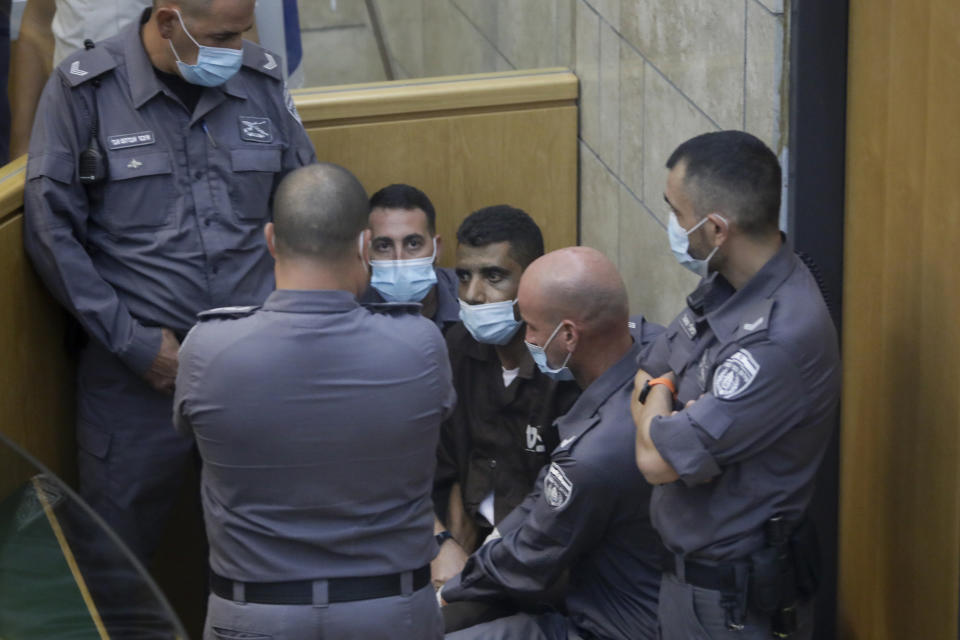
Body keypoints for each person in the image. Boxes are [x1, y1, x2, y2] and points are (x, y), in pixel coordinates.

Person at [22, 0, 316, 561]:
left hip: (253, 368)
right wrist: (137, 346)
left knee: (270, 549)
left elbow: (305, 211)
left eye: (241, 35)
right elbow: (52, 234)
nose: (236, 51)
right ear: (166, 21)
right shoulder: (84, 90)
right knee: (119, 558)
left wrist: (285, 332)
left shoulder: (261, 79)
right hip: (135, 378)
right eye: (222, 37)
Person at [174, 163, 454, 640]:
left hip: (254, 616)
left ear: (269, 240)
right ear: (366, 246)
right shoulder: (421, 344)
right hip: (391, 614)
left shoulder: (206, 349)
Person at [632, 130, 841, 639]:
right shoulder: (727, 284)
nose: (674, 228)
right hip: (686, 582)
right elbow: (647, 368)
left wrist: (656, 399)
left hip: (730, 604)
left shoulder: (778, 339)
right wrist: (663, 401)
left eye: (677, 213)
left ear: (717, 228)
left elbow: (654, 463)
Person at [441, 246, 662, 640]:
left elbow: (528, 554)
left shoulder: (595, 453)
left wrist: (449, 592)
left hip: (606, 626)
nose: (525, 338)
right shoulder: (655, 345)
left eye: (530, 327)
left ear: (568, 336)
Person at [361, 183, 460, 333]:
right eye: (384, 246)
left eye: (413, 244)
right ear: (365, 253)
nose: (399, 260)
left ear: (437, 249)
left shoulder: (469, 298)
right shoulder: (353, 309)